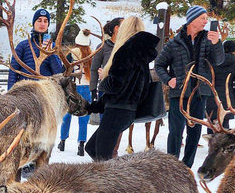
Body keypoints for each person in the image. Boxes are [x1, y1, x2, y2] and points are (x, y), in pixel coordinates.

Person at [154, 5, 223, 168]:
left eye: (206, 18)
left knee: (195, 132)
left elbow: (218, 61)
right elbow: (159, 65)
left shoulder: (209, 39)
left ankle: (187, 167)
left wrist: (217, 44)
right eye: (203, 18)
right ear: (192, 20)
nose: (206, 21)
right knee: (176, 132)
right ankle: (171, 167)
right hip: (178, 94)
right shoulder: (174, 43)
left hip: (200, 94)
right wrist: (169, 80)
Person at [84, 16, 159, 161]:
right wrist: (95, 107)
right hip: (126, 112)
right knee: (92, 148)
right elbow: (125, 89)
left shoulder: (126, 51)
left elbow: (115, 85)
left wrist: (102, 82)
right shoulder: (141, 54)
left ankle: (114, 183)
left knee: (103, 160)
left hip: (117, 112)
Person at [7, 9, 64, 90]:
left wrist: (51, 54)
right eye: (39, 20)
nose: (42, 24)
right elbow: (13, 71)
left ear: (48, 24)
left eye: (45, 21)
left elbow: (58, 73)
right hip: (25, 91)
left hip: (46, 92)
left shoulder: (54, 47)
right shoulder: (23, 46)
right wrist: (10, 92)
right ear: (34, 23)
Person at [58, 28, 93, 156]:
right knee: (84, 117)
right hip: (86, 87)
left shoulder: (71, 53)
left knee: (67, 114)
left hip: (72, 87)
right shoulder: (91, 54)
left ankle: (62, 141)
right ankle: (81, 144)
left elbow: (64, 72)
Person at [89, 17, 123, 128]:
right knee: (105, 125)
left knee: (118, 126)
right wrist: (93, 89)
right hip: (105, 91)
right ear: (116, 28)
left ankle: (114, 146)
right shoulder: (103, 47)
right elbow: (94, 69)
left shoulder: (127, 46)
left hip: (122, 91)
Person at [207, 40, 235, 132]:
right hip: (228, 98)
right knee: (225, 123)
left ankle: (211, 144)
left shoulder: (213, 61)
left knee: (211, 123)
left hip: (212, 96)